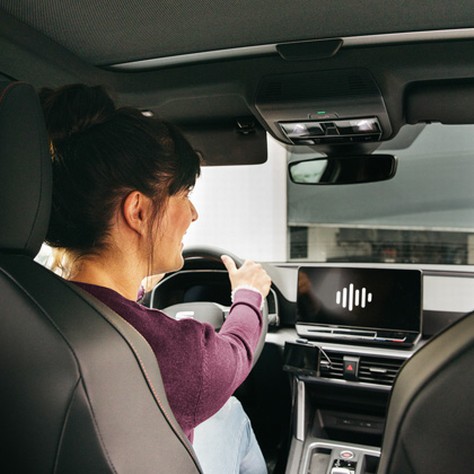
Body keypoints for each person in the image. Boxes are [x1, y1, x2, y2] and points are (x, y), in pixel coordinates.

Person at [40, 84, 271, 474]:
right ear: (138, 212)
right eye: (184, 194)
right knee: (230, 412)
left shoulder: (30, 298)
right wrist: (249, 295)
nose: (194, 214)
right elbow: (235, 353)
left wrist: (138, 276)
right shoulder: (175, 354)